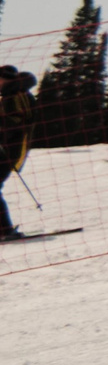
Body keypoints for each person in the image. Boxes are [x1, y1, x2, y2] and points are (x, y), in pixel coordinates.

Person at [0, 67, 34, 240]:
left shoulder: (14, 96)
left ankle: (5, 231)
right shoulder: (15, 94)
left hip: (11, 149)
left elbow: (14, 123)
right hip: (9, 148)